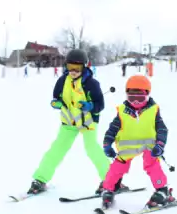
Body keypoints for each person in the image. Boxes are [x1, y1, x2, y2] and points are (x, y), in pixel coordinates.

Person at [27, 49, 126, 195]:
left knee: (92, 149)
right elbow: (56, 98)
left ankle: (111, 181)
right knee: (57, 150)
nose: (73, 71)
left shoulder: (92, 84)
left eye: (77, 68)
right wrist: (57, 104)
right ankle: (40, 179)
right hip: (68, 123)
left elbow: (100, 105)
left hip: (88, 123)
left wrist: (90, 106)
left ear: (85, 67)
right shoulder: (62, 81)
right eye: (70, 67)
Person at [100, 75, 175, 209]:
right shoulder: (122, 111)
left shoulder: (153, 111)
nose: (135, 102)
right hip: (127, 147)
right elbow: (112, 129)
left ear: (147, 95)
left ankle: (162, 190)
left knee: (152, 165)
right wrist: (107, 144)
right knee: (117, 167)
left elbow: (162, 129)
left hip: (149, 146)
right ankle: (108, 189)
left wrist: (160, 144)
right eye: (131, 97)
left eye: (140, 98)